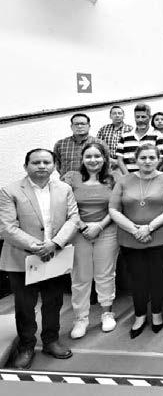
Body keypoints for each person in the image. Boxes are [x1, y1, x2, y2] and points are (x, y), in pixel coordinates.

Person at [0, 149, 79, 369]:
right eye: (36, 162)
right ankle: (26, 346)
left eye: (46, 162)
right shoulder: (9, 191)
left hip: (55, 255)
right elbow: (6, 227)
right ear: (26, 166)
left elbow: (74, 218)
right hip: (22, 258)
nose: (42, 166)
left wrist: (55, 243)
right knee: (25, 306)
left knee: (54, 302)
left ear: (54, 165)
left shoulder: (64, 189)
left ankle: (51, 341)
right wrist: (37, 247)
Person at [109, 143, 163, 338]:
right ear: (136, 160)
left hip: (160, 236)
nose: (147, 161)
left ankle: (157, 313)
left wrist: (149, 228)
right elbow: (113, 209)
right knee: (137, 278)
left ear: (158, 159)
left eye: (151, 157)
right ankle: (140, 315)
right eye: (143, 158)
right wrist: (135, 230)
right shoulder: (124, 180)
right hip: (130, 238)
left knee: (157, 277)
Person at [62, 142, 118, 340]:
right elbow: (66, 205)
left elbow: (116, 206)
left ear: (104, 159)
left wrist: (99, 226)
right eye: (88, 156)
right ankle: (81, 318)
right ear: (82, 159)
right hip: (78, 232)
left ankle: (107, 313)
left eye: (97, 156)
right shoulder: (72, 177)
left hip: (107, 230)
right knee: (80, 277)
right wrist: (82, 226)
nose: (93, 160)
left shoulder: (113, 178)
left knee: (105, 274)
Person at [116, 104, 163, 175]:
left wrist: (148, 174)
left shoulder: (158, 136)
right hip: (129, 177)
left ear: (150, 117)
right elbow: (120, 160)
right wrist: (128, 176)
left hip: (150, 178)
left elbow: (161, 159)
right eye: (137, 117)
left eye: (143, 117)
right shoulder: (125, 136)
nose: (140, 120)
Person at [97, 106, 134, 172]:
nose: (117, 115)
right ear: (110, 116)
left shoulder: (130, 129)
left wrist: (120, 161)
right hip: (107, 164)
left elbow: (133, 148)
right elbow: (97, 147)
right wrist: (110, 160)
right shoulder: (103, 129)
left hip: (125, 165)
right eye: (114, 113)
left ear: (123, 115)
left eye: (119, 113)